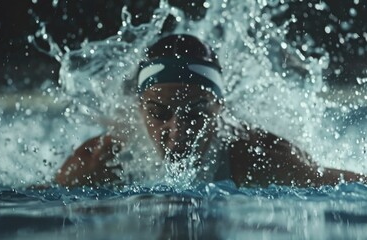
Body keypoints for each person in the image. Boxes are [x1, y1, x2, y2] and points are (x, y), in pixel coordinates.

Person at [55, 34, 364, 188]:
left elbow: (349, 184)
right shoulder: (101, 162)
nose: (177, 131)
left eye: (194, 113)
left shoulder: (259, 157)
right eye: (160, 112)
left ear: (219, 109)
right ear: (139, 109)